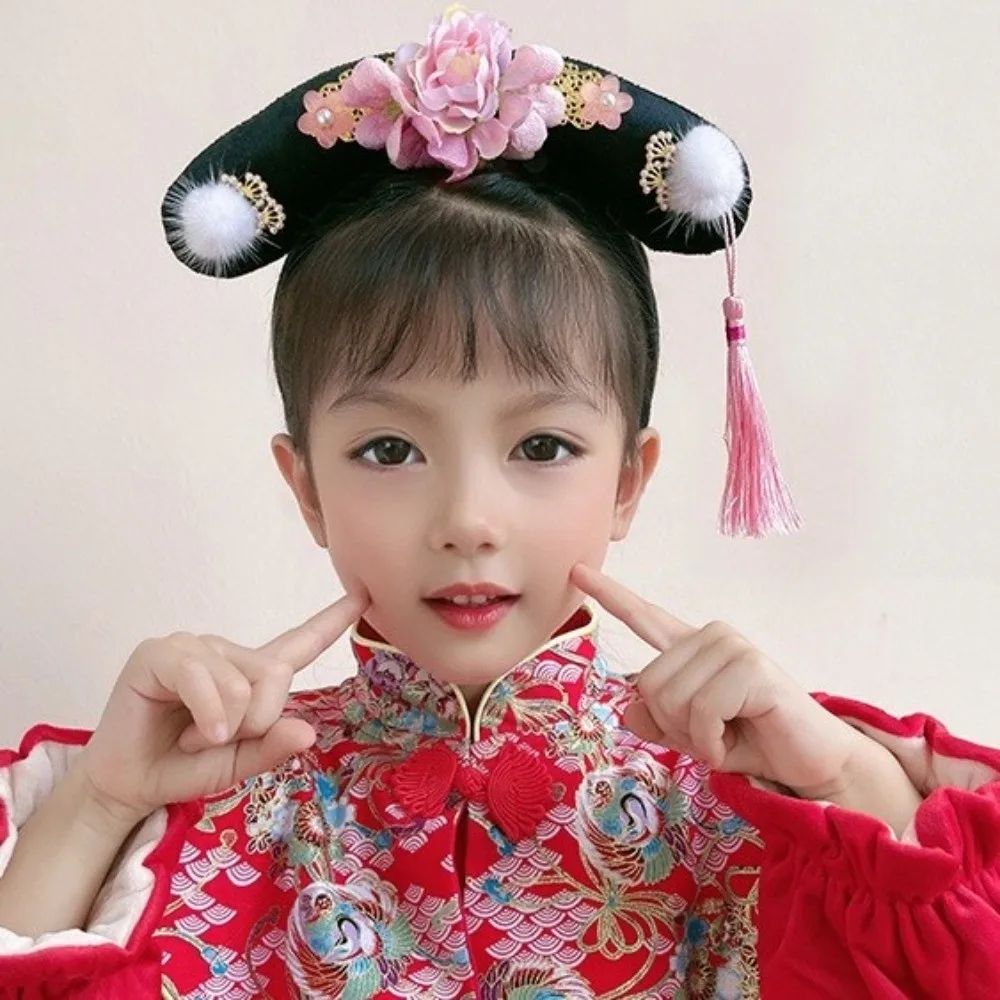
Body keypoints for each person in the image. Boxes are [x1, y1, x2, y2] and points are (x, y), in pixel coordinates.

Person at [1, 7, 998, 999]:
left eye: (542, 445)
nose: (468, 518)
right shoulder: (222, 798)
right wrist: (102, 799)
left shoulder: (742, 792)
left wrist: (838, 782)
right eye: (389, 448)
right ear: (304, 486)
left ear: (626, 480)